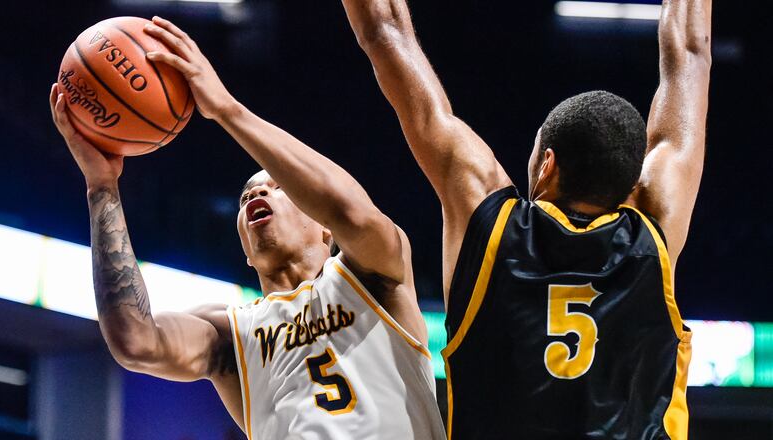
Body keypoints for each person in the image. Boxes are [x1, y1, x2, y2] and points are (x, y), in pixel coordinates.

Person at [49, 16, 445, 440]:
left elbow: (351, 212)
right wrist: (102, 187)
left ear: (324, 230)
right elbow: (136, 342)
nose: (258, 195)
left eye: (278, 188)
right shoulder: (229, 333)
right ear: (244, 246)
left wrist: (226, 109)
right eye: (246, 196)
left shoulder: (374, 275)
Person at [341, 0, 711, 438]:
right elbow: (689, 51)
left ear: (546, 165)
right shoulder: (654, 230)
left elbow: (385, 32)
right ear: (633, 185)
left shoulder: (491, 227)